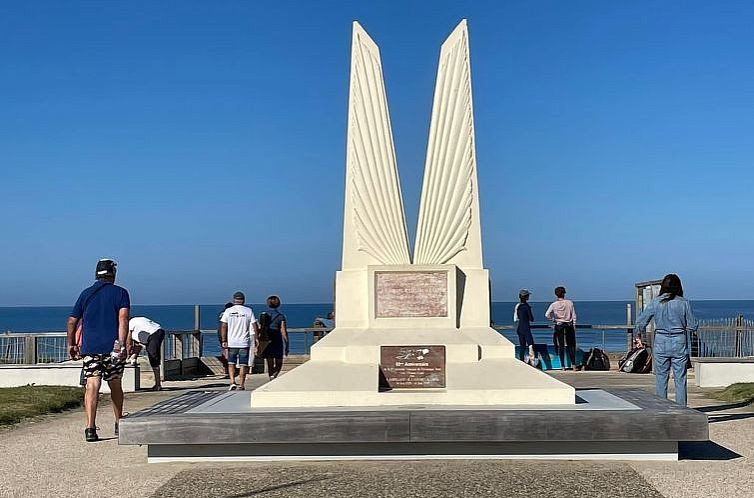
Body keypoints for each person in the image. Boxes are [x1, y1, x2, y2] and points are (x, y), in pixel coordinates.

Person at [66, 259, 130, 442]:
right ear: (113, 274)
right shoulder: (121, 293)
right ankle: (119, 423)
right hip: (113, 348)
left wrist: (71, 344)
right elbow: (123, 319)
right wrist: (122, 344)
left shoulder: (86, 294)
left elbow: (71, 321)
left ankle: (90, 428)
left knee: (92, 384)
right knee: (115, 383)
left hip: (90, 348)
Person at [634, 274, 698, 406]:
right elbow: (693, 325)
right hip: (679, 340)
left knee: (661, 378)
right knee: (680, 379)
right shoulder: (684, 302)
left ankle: (661, 408)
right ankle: (681, 410)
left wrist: (638, 336)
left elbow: (640, 322)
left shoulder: (655, 302)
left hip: (661, 341)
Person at [219, 291, 258, 391]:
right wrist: (256, 338)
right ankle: (241, 384)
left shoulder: (228, 311)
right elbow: (254, 325)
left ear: (234, 300)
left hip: (232, 342)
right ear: (243, 300)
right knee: (243, 364)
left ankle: (232, 382)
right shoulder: (248, 311)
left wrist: (224, 340)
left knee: (231, 363)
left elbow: (223, 325)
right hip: (244, 342)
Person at [126, 316, 166, 391]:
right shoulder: (138, 322)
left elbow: (129, 343)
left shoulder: (130, 324)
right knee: (142, 346)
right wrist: (133, 356)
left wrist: (127, 355)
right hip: (159, 331)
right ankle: (132, 358)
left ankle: (158, 384)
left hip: (154, 334)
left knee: (153, 357)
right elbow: (138, 344)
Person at [545, 286, 577, 371]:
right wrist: (574, 324)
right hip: (569, 325)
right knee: (571, 345)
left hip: (559, 325)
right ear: (564, 293)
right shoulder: (569, 303)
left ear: (556, 294)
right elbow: (573, 315)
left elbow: (547, 314)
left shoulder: (553, 305)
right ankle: (574, 365)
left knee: (561, 346)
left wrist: (554, 319)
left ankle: (562, 366)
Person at [260, 295, 289, 380]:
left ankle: (271, 377)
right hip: (277, 339)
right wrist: (287, 344)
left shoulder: (263, 315)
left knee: (269, 360)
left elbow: (260, 328)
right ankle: (274, 376)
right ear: (278, 304)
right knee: (279, 361)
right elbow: (283, 331)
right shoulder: (280, 316)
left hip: (266, 339)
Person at [513, 289, 536, 365]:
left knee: (522, 346)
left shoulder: (518, 306)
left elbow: (516, 318)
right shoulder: (526, 306)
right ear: (526, 297)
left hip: (520, 328)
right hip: (526, 327)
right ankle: (532, 361)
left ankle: (521, 362)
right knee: (530, 345)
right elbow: (531, 318)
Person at [217, 302, 233, 377]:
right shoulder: (230, 315)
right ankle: (231, 369)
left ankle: (226, 368)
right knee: (231, 352)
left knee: (224, 352)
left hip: (221, 335)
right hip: (229, 336)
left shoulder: (221, 314)